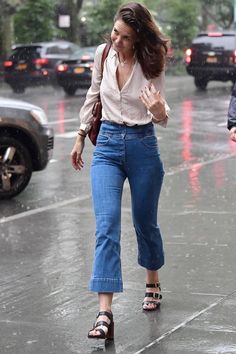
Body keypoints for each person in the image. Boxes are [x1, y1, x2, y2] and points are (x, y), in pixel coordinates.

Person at [71, 2, 170, 340]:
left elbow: (163, 113)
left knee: (145, 223)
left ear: (139, 37)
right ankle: (104, 313)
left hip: (143, 145)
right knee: (106, 225)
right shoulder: (103, 53)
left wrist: (159, 111)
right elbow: (93, 93)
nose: (117, 41)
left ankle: (152, 280)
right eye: (115, 32)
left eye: (125, 37)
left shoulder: (151, 59)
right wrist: (81, 135)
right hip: (109, 146)